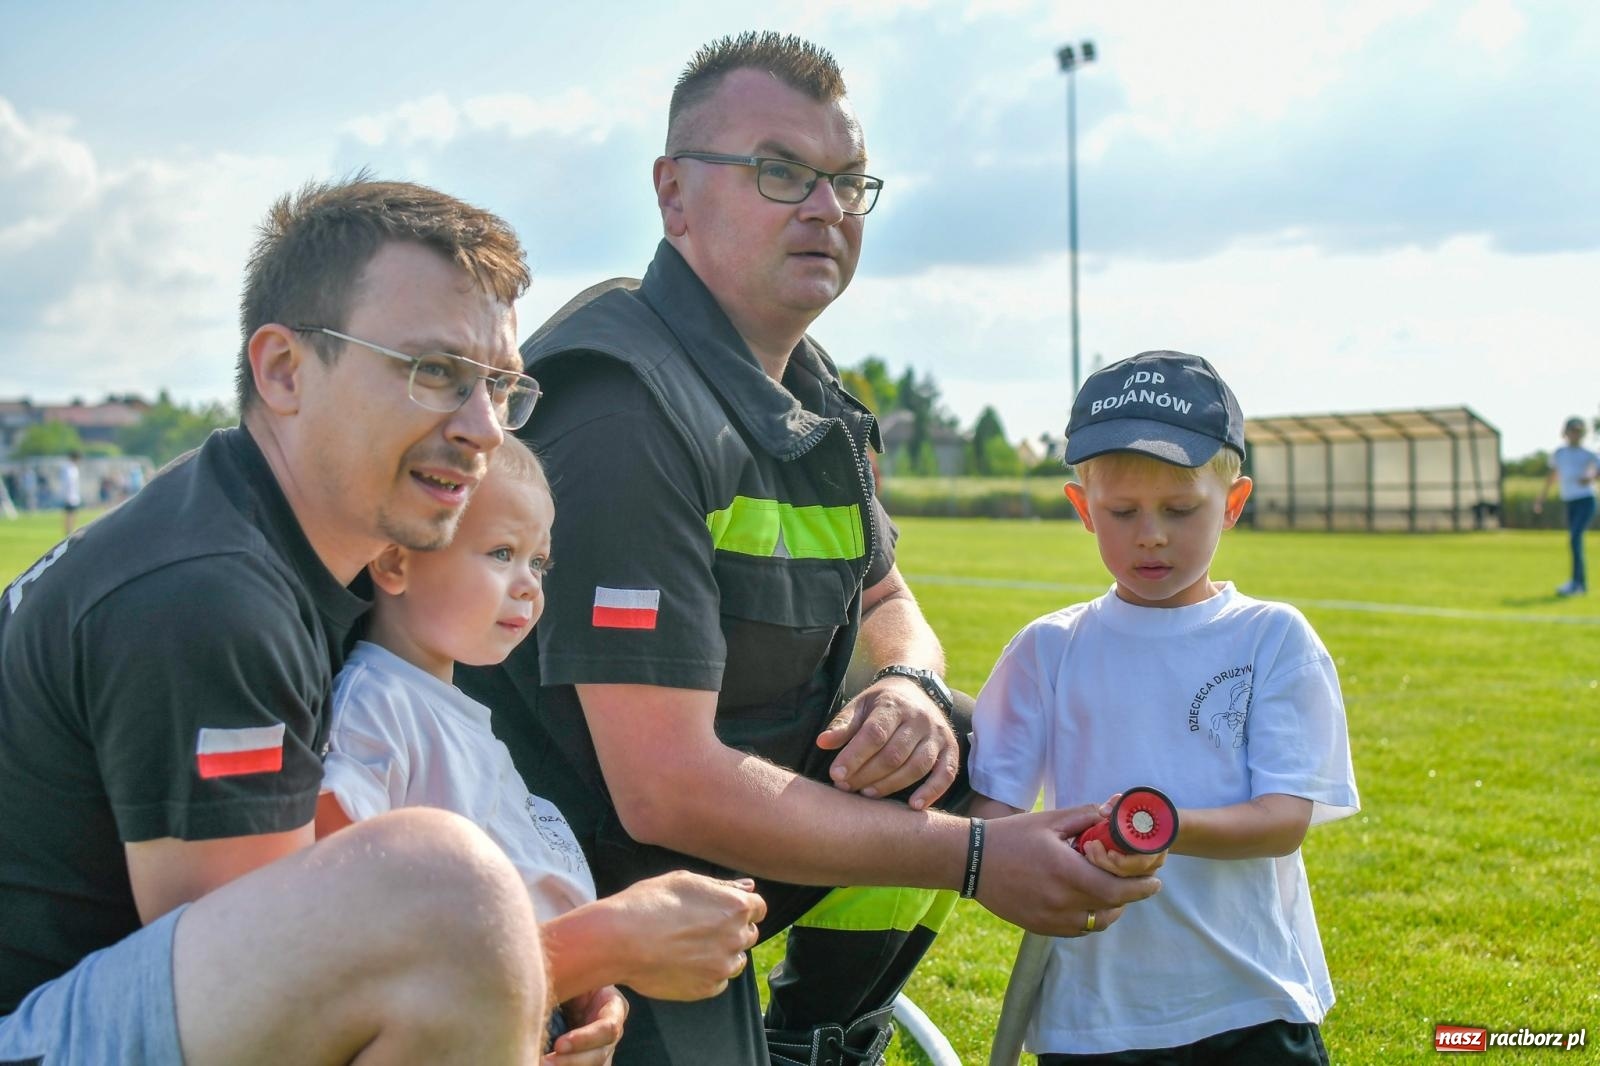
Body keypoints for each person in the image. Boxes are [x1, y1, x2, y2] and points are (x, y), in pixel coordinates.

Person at [458, 31, 1160, 1066]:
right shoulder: (624, 413)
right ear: (674, 195)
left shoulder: (811, 395)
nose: (825, 207)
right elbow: (662, 787)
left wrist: (911, 687)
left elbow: (887, 598)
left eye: (844, 180)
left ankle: (818, 1035)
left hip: (707, 843)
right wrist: (974, 858)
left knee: (951, 744)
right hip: (590, 877)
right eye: (779, 172)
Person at [0, 177, 582, 1063]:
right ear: (283, 371)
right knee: (444, 892)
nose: (484, 428)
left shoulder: (259, 530)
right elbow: (290, 1002)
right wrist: (590, 950)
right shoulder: (210, 597)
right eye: (436, 372)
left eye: (500, 386)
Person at [317, 435, 768, 1057]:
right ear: (395, 562)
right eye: (503, 552)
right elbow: (330, 877)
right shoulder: (379, 705)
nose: (529, 584)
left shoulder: (455, 713)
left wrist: (588, 990)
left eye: (540, 562)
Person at [969, 351, 1360, 1064]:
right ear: (1083, 510)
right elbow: (991, 824)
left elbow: (1283, 821)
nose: (1151, 534)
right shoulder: (1047, 651)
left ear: (1233, 504)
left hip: (1250, 1002)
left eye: (1180, 510)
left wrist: (1158, 827)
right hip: (1097, 1018)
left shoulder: (1272, 638)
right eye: (1123, 512)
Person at [1531, 416, 1598, 597]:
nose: (1575, 434)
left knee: (1575, 539)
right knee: (1574, 541)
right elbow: (1552, 476)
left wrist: (1590, 478)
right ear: (1566, 432)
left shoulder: (1589, 453)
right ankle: (1577, 582)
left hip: (1586, 500)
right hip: (1570, 502)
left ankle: (1579, 584)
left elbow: (1597, 471)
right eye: (1572, 430)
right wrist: (1540, 499)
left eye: (1578, 431)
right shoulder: (1559, 453)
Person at [60, 449, 82, 535]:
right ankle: (68, 531)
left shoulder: (74, 468)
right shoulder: (67, 468)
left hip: (74, 495)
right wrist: (66, 495)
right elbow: (66, 483)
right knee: (69, 514)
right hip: (69, 495)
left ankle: (71, 530)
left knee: (73, 513)